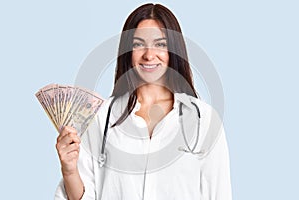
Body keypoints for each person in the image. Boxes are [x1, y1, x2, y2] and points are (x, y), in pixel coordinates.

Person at [55, 3, 232, 200]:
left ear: (173, 51)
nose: (149, 55)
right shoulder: (101, 117)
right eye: (138, 44)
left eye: (160, 44)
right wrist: (69, 171)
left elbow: (219, 194)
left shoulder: (203, 120)